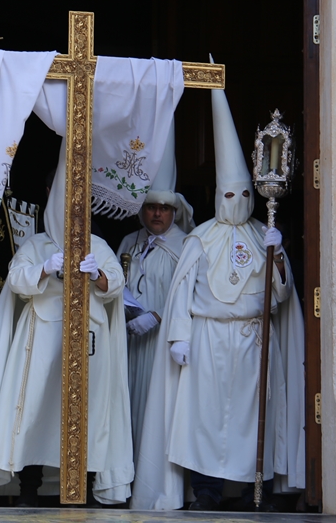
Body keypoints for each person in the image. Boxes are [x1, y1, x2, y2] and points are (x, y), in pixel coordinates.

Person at [131, 82, 306, 512]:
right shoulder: (199, 238)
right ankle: (206, 491)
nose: (238, 201)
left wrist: (278, 255)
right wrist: (179, 337)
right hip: (207, 340)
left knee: (250, 422)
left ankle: (252, 491)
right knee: (204, 421)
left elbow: (280, 297)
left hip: (251, 340)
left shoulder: (263, 235)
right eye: (230, 195)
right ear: (216, 196)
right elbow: (181, 294)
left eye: (244, 194)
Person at [0, 143, 133, 507]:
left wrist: (96, 275)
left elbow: (116, 284)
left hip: (89, 341)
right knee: (35, 414)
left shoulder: (98, 244)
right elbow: (16, 281)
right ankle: (29, 489)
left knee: (86, 412)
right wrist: (45, 267)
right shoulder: (37, 244)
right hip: (41, 339)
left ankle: (82, 490)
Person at [116, 123, 193, 455]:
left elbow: (194, 295)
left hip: (165, 345)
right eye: (150, 207)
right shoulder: (128, 243)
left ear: (175, 211)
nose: (157, 213)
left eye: (163, 208)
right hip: (130, 345)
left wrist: (159, 317)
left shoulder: (188, 247)